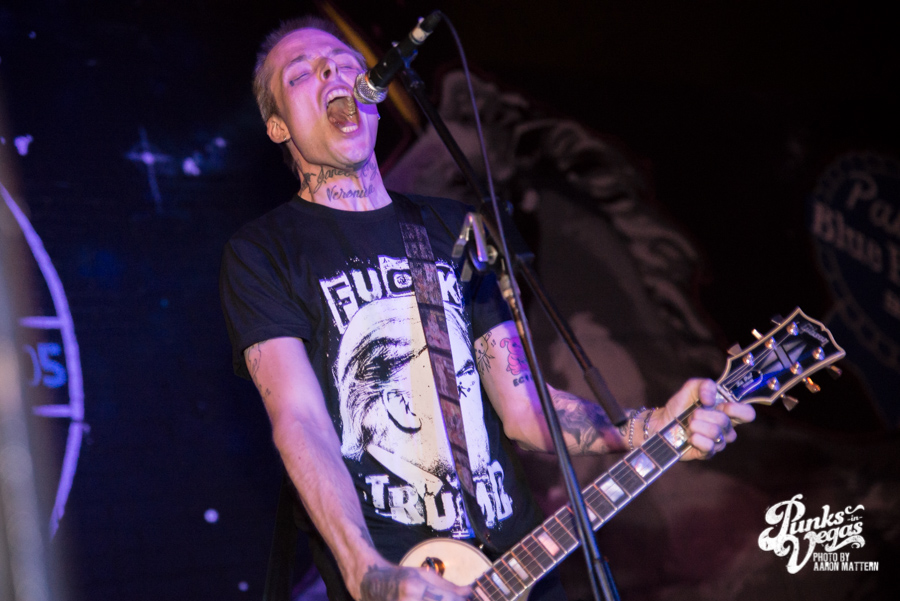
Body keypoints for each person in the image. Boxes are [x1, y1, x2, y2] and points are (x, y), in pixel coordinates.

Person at [219, 16, 755, 601]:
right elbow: (299, 420)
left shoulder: (450, 227)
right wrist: (365, 570)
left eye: (346, 63)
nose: (332, 71)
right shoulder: (265, 251)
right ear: (277, 126)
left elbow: (524, 409)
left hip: (520, 564)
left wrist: (650, 426)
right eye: (301, 74)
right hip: (402, 579)